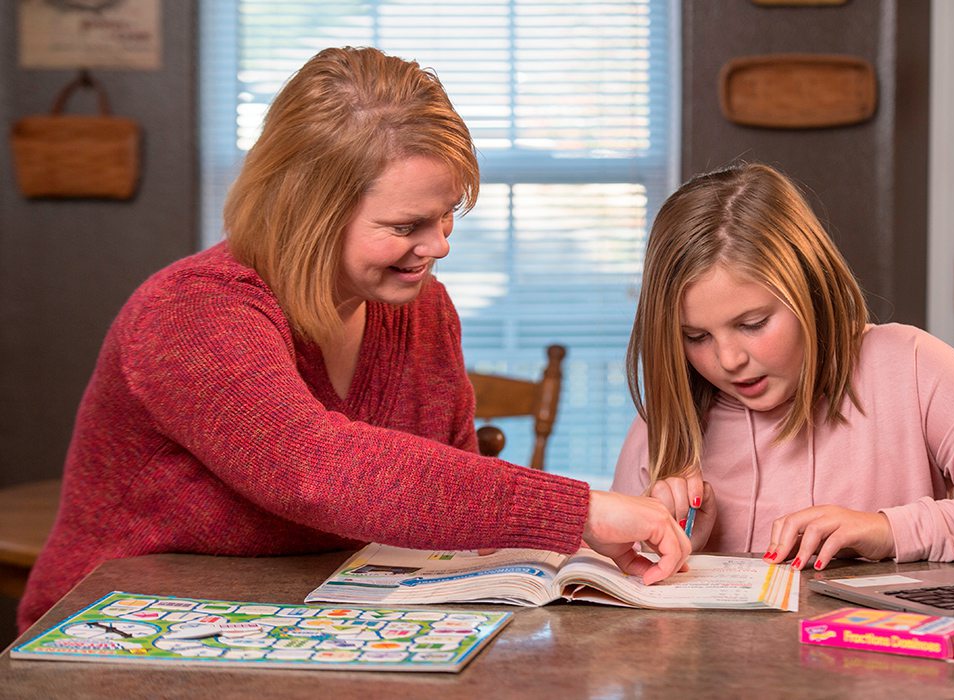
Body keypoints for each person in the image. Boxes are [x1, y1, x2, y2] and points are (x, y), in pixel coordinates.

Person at [17, 46, 689, 632]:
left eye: (448, 215)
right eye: (407, 224)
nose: (439, 245)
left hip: (318, 624)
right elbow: (316, 469)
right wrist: (578, 509)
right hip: (115, 633)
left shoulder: (424, 311)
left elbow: (448, 496)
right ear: (306, 210)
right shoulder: (188, 314)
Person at [611, 162, 954, 572]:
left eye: (753, 324)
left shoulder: (912, 367)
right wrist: (673, 548)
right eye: (696, 337)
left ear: (809, 288)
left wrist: (888, 530)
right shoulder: (663, 423)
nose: (728, 360)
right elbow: (614, 580)